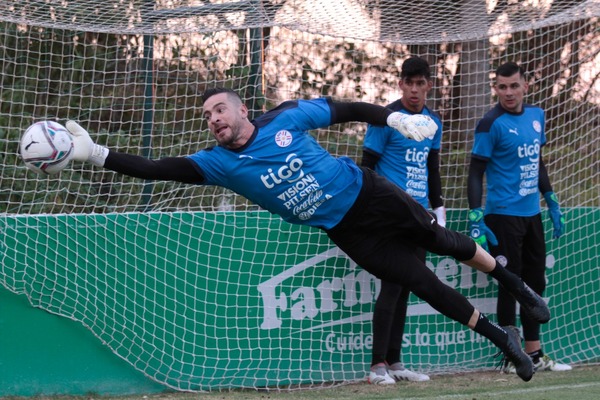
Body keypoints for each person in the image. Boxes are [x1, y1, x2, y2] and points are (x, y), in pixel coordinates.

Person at [66, 87, 551, 382]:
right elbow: (155, 168)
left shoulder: (286, 118)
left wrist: (395, 118)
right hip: (345, 230)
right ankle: (502, 339)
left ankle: (516, 286)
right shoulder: (217, 165)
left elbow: (343, 110)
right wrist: (96, 154)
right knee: (422, 284)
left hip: (370, 194)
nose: (212, 119)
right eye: (206, 116)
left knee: (444, 242)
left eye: (219, 110)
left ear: (241, 111)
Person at [467, 61, 571, 373]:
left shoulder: (538, 116)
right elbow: (475, 172)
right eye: (502, 86)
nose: (508, 92)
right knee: (510, 284)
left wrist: (550, 199)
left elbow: (537, 162)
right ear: (495, 88)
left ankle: (535, 354)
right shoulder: (490, 123)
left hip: (532, 214)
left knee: (535, 284)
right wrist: (476, 215)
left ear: (526, 85)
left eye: (514, 86)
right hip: (502, 216)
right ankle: (512, 358)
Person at [361, 57, 443, 384]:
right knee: (392, 285)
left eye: (420, 83)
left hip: (420, 217)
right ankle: (376, 366)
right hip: (390, 214)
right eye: (408, 82)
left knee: (409, 286)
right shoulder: (386, 119)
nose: (414, 89)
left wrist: (439, 213)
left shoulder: (433, 121)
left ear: (428, 86)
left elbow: (432, 170)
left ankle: (395, 362)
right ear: (400, 84)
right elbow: (366, 166)